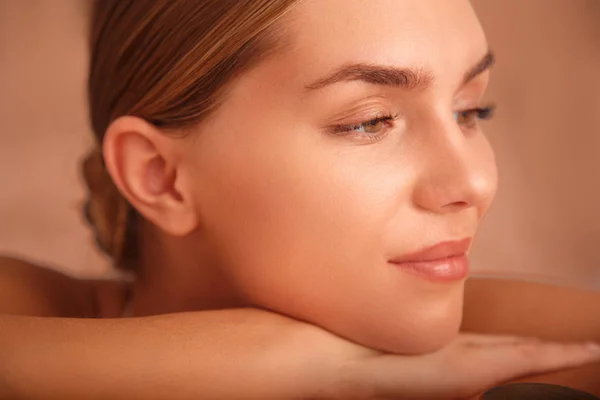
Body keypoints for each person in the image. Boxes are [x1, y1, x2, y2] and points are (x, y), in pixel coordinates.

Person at [1, 0, 599, 398]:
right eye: (369, 121)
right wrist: (302, 363)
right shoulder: (31, 312)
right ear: (160, 176)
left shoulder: (506, 339)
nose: (475, 183)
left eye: (471, 111)